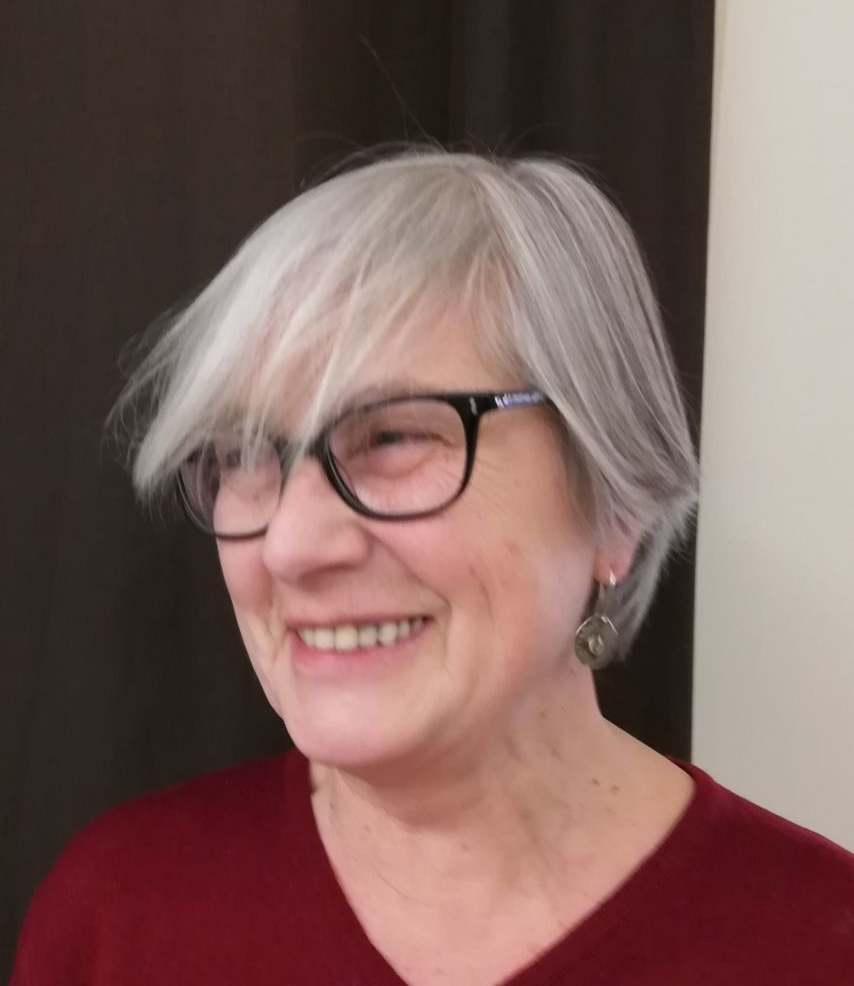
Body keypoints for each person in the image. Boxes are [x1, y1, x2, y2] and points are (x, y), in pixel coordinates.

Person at [11, 150, 854, 985]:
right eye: (241, 453)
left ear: (614, 503)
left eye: (393, 437)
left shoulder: (821, 944)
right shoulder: (116, 919)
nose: (290, 545)